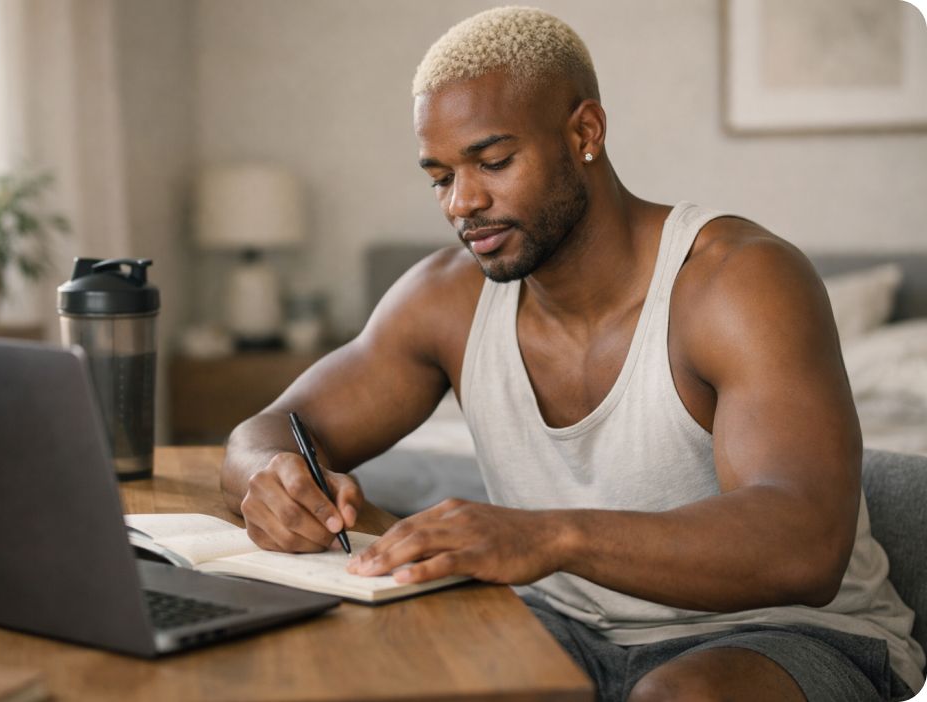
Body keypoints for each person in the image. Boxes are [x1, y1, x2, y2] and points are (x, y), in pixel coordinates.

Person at [221, 7, 924, 701]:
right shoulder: (444, 300)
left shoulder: (736, 281)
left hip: (787, 634)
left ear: (585, 131)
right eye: (439, 177)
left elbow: (804, 545)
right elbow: (273, 428)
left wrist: (549, 536)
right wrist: (269, 477)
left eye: (492, 161)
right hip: (565, 626)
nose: (462, 203)